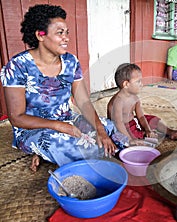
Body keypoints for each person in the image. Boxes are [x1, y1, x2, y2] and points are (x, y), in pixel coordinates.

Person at [0, 4, 118, 172]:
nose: (66, 38)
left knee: (109, 127)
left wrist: (100, 130)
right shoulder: (18, 66)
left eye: (67, 33)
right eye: (60, 33)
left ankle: (47, 154)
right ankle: (47, 150)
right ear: (40, 35)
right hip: (32, 129)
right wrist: (60, 127)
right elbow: (17, 118)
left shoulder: (71, 62)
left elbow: (83, 101)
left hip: (67, 118)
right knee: (67, 144)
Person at [107, 63, 177, 145]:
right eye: (138, 81)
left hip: (133, 122)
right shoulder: (118, 102)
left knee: (152, 119)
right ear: (126, 84)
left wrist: (147, 129)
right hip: (121, 128)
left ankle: (170, 132)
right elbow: (118, 123)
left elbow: (141, 117)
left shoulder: (135, 98)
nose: (141, 84)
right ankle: (142, 137)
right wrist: (130, 140)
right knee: (125, 138)